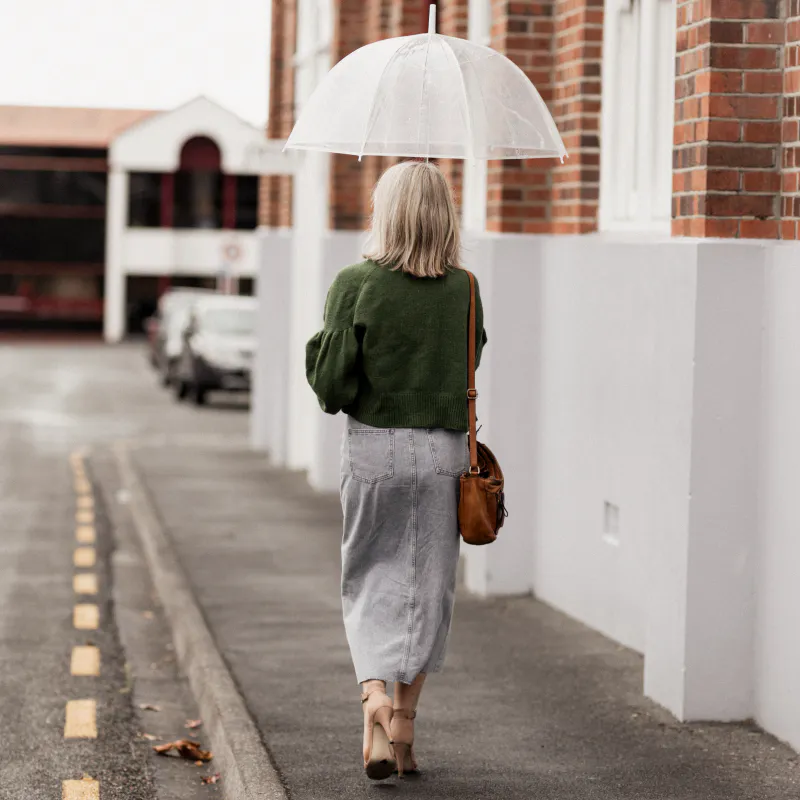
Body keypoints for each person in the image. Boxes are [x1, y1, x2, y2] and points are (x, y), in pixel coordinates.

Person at [305, 160, 487, 780]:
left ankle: (374, 697)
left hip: (374, 448)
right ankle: (402, 726)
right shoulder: (465, 286)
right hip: (443, 452)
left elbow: (331, 387)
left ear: (387, 212)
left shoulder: (355, 283)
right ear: (443, 215)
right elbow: (472, 359)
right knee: (428, 585)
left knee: (370, 576)